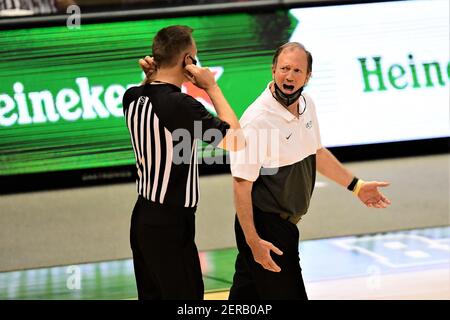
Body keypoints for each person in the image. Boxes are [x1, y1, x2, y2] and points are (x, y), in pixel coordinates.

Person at [228, 42, 391, 300]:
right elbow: (241, 183)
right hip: (267, 226)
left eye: (296, 70)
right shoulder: (257, 120)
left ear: (308, 76)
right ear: (273, 70)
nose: (289, 76)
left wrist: (356, 186)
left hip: (285, 225)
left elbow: (316, 152)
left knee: (245, 297)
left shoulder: (307, 104)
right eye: (284, 69)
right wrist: (253, 240)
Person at [123, 25, 243, 300]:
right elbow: (236, 141)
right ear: (188, 60)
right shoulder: (180, 105)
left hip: (142, 216)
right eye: (195, 58)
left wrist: (150, 76)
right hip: (171, 222)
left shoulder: (131, 96)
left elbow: (150, 92)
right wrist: (211, 86)